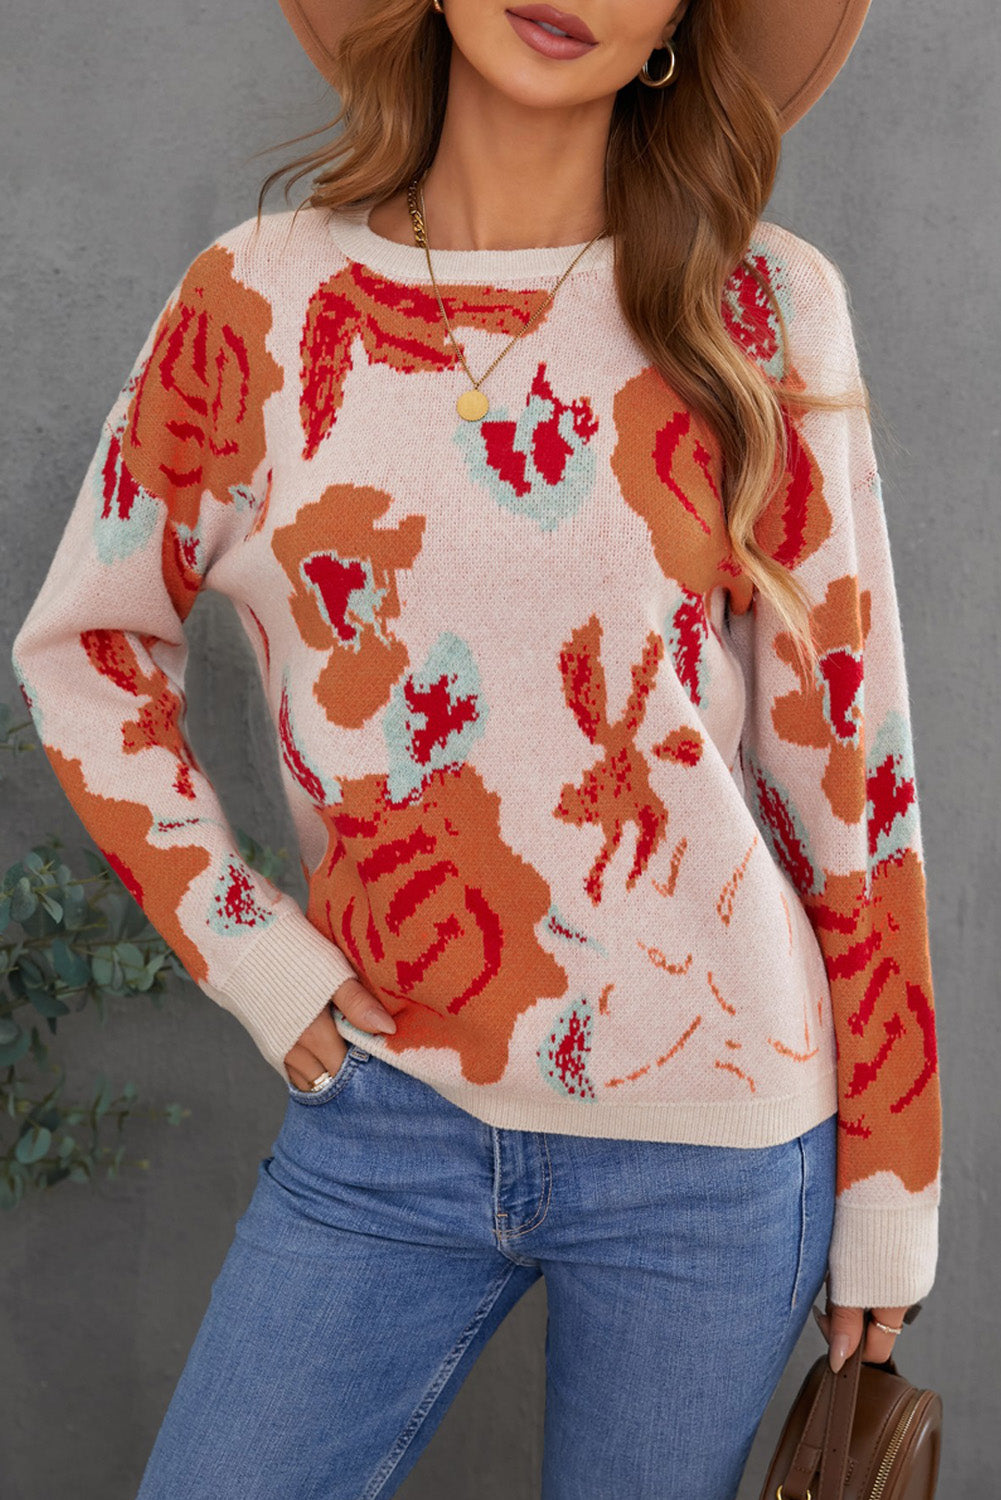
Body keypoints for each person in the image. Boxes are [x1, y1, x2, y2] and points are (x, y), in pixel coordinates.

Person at [10, 0, 942, 1495]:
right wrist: (248, 947)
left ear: (676, 22)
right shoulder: (257, 301)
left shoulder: (763, 305)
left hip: (716, 1151)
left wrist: (892, 1180)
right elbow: (86, 652)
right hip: (386, 1110)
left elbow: (855, 770)